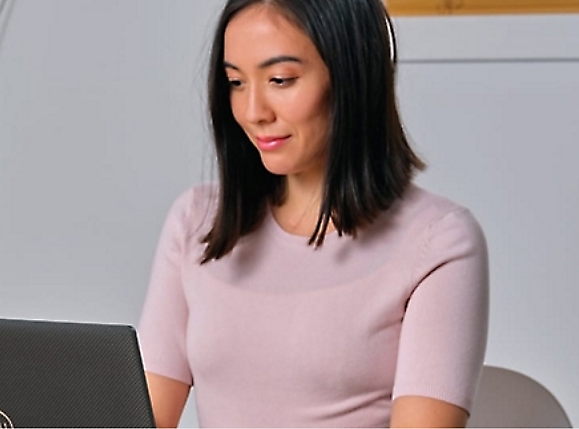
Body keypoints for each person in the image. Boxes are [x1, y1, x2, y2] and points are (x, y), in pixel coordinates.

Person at [137, 0, 489, 427]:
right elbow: (143, 418)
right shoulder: (197, 222)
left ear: (351, 77)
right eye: (235, 82)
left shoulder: (438, 242)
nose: (253, 112)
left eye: (280, 80)